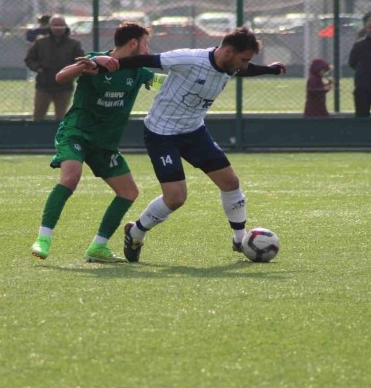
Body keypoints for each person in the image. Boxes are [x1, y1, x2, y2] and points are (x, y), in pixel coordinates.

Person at [94, 28, 286, 262]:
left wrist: (270, 69)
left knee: (230, 182)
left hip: (194, 132)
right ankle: (136, 232)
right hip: (161, 134)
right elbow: (145, 60)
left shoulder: (231, 65)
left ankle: (240, 240)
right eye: (243, 59)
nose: (244, 65)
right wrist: (102, 64)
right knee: (175, 198)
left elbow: (247, 70)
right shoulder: (188, 59)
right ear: (228, 52)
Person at [30, 22, 155, 263]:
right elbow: (60, 76)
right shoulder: (95, 61)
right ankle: (43, 238)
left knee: (128, 192)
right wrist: (92, 62)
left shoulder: (139, 71)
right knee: (70, 178)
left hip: (104, 143)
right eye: (146, 44)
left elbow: (161, 81)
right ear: (133, 43)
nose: (148, 50)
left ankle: (98, 247)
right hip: (77, 132)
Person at [24, 15, 85, 121]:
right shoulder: (41, 43)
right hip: (43, 85)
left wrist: (71, 72)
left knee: (61, 117)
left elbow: (81, 62)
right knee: (38, 116)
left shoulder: (74, 44)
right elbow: (29, 59)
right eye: (55, 25)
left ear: (65, 27)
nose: (58, 28)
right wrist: (38, 68)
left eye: (61, 25)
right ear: (50, 27)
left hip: (64, 87)